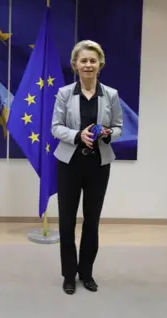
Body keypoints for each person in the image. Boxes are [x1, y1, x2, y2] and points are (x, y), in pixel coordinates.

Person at [51, 40, 123, 295]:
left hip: (98, 165)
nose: (88, 65)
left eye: (93, 61)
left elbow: (118, 127)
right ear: (75, 65)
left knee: (92, 221)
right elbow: (55, 127)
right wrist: (76, 135)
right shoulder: (64, 93)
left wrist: (107, 133)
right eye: (84, 61)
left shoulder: (111, 94)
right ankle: (69, 274)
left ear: (100, 65)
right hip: (69, 164)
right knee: (67, 221)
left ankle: (87, 273)